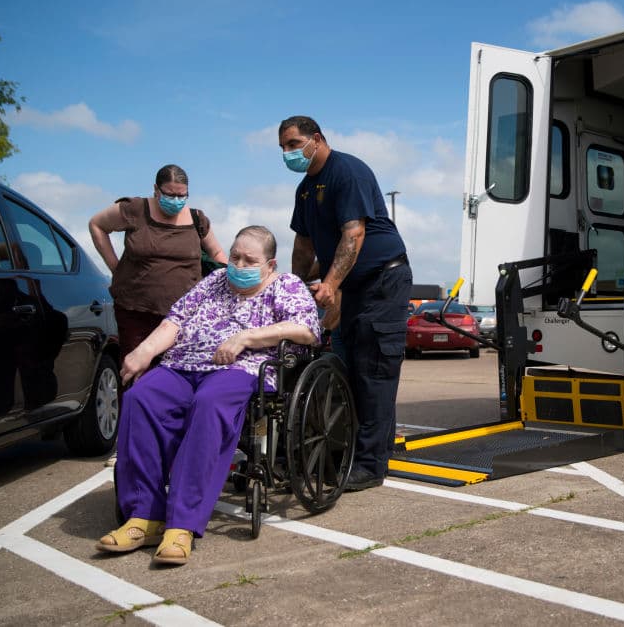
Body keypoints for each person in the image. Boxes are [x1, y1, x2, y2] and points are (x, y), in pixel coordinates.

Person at [95, 226, 320, 566]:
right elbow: (175, 320)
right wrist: (144, 350)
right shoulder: (212, 283)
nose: (238, 265)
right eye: (234, 257)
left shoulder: (286, 286)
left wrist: (247, 337)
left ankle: (182, 524)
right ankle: (144, 516)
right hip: (183, 364)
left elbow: (306, 330)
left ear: (270, 264)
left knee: (210, 403)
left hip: (242, 369)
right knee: (141, 396)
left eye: (249, 260)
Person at [280, 115, 411, 491]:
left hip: (383, 280)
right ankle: (374, 450)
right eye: (283, 148)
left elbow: (354, 234)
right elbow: (304, 246)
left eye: (293, 144)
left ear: (316, 139)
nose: (288, 154)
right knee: (352, 369)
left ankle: (370, 466)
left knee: (375, 371)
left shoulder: (346, 172)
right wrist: (294, 287)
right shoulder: (305, 190)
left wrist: (329, 284)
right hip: (354, 287)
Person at [89, 164, 227, 466]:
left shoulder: (196, 219)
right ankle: (128, 447)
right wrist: (115, 268)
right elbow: (96, 225)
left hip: (182, 317)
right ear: (156, 190)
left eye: (182, 195)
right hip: (136, 309)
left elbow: (217, 255)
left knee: (178, 379)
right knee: (135, 375)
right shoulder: (134, 209)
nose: (176, 200)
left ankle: (172, 444)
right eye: (170, 194)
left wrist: (231, 279)